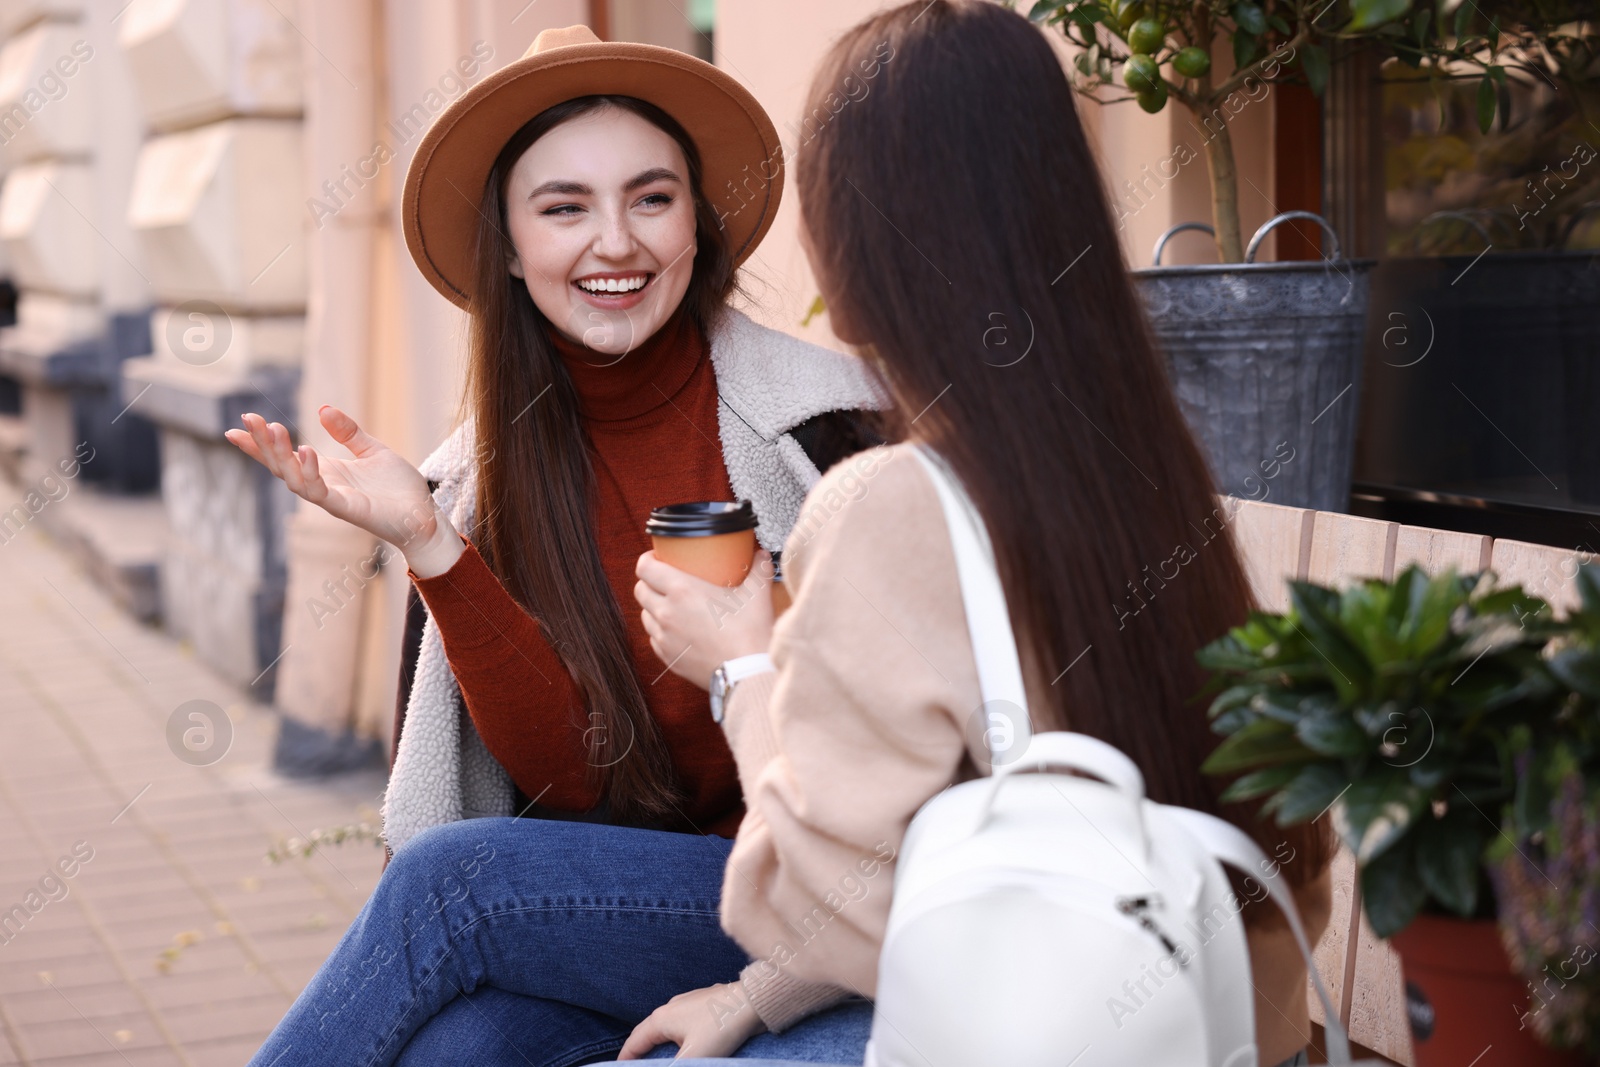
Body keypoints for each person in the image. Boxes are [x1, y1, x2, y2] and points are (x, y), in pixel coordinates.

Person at [625, 3, 1333, 1065]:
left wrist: (741, 670)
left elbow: (829, 909)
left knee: (472, 926)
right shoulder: (1144, 462)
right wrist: (756, 998)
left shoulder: (889, 505)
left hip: (1015, 1029)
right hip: (1216, 1030)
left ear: (850, 246)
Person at [234, 24, 882, 1067]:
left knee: (451, 882)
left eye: (651, 198)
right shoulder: (487, 482)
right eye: (564, 207)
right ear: (511, 248)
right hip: (623, 908)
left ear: (698, 227)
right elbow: (574, 788)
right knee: (459, 1048)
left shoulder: (829, 434)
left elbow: (899, 769)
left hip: (822, 894)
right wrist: (433, 545)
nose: (614, 242)